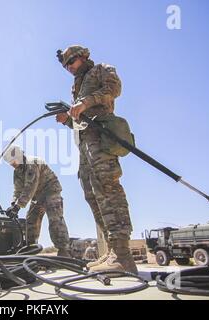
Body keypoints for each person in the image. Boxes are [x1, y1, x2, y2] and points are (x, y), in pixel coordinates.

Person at [55, 45, 137, 274]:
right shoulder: (76, 85)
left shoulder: (101, 69)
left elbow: (114, 89)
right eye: (65, 66)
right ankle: (112, 252)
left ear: (81, 57)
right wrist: (67, 119)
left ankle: (123, 255)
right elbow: (81, 118)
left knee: (108, 188)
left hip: (101, 139)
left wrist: (86, 102)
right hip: (84, 145)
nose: (69, 68)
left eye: (71, 62)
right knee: (92, 194)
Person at [4, 146, 71, 257]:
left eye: (12, 160)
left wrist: (18, 206)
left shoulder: (32, 163)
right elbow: (18, 189)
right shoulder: (17, 172)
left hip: (50, 191)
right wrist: (13, 204)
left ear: (19, 156)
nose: (11, 164)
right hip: (37, 196)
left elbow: (30, 187)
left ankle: (64, 251)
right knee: (31, 220)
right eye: (9, 162)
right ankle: (31, 250)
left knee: (55, 220)